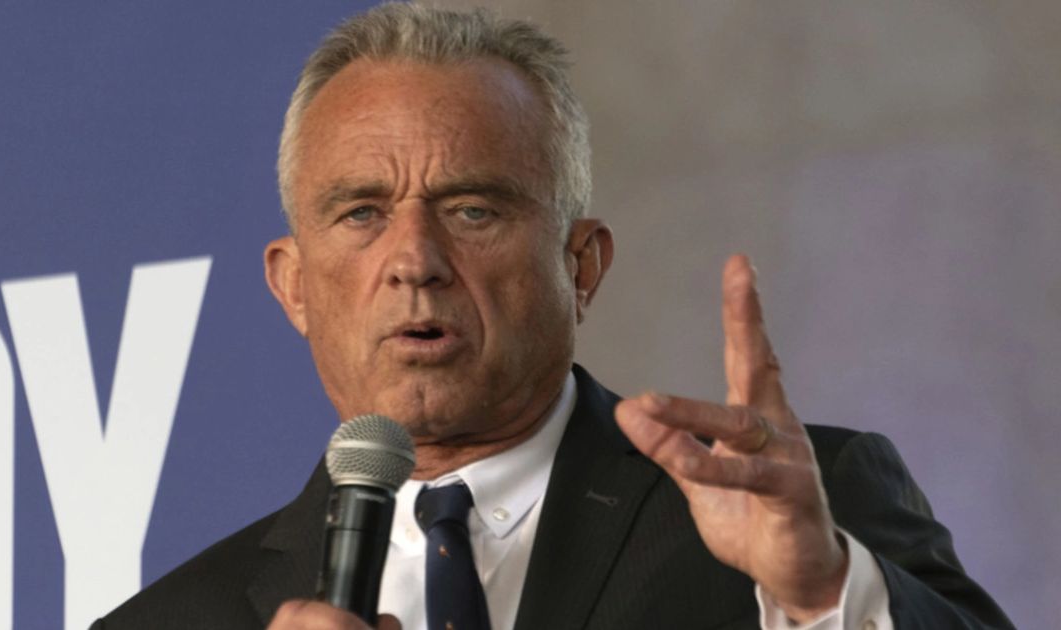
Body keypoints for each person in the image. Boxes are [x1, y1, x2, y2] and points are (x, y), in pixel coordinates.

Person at [93, 4, 1013, 629]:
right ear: (293, 285)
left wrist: (820, 595)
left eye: (473, 210)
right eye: (362, 213)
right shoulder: (174, 620)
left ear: (582, 267)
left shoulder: (803, 517)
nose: (414, 262)